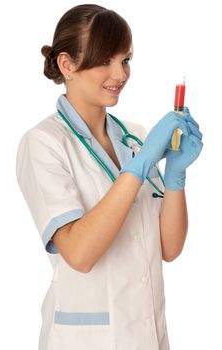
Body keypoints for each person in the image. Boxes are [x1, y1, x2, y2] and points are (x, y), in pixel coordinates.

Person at [16, 4, 203, 350]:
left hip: (149, 334)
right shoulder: (43, 144)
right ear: (66, 65)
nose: (120, 74)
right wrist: (141, 165)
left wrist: (175, 176)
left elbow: (169, 248)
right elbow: (80, 253)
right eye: (106, 61)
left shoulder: (134, 136)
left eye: (126, 59)